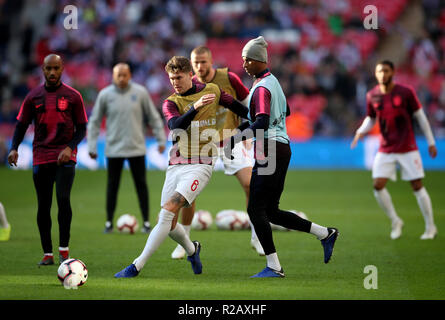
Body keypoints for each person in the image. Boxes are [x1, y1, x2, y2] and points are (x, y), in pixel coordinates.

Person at [114, 56, 249, 278]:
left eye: (178, 77)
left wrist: (259, 119)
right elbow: (175, 126)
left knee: (168, 212)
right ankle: (192, 249)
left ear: (189, 74)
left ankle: (136, 266)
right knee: (167, 222)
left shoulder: (213, 91)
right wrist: (195, 107)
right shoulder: (171, 102)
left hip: (202, 163)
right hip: (176, 163)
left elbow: (236, 107)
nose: (175, 82)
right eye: (171, 78)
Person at [225, 36, 339, 278]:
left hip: (268, 149)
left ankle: (274, 267)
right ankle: (325, 233)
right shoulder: (273, 83)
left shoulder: (261, 87)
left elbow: (262, 121)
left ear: (258, 61)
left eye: (247, 60)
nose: (244, 64)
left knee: (256, 210)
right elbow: (281, 111)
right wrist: (232, 105)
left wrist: (235, 139)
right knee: (272, 211)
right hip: (281, 147)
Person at [170, 45, 265, 260]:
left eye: (203, 61)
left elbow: (247, 103)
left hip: (232, 140)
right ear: (191, 65)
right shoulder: (190, 85)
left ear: (211, 61)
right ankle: (184, 241)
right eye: (196, 63)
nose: (200, 66)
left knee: (251, 185)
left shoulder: (228, 78)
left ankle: (256, 235)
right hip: (203, 144)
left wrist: (249, 131)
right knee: (188, 194)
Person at [7, 54, 88, 265]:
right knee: (43, 205)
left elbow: (82, 128)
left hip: (65, 158)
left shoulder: (73, 96)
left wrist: (70, 148)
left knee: (63, 199)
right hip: (41, 156)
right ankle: (47, 254)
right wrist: (14, 148)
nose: (52, 73)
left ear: (62, 69)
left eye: (56, 68)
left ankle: (63, 250)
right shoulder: (33, 96)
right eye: (48, 69)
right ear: (42, 70)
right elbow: (21, 125)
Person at [351, 60, 438, 240]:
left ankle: (430, 227)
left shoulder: (406, 93)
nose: (382, 74)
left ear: (392, 72)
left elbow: (421, 117)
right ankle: (395, 220)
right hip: (386, 148)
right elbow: (371, 118)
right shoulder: (372, 95)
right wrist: (360, 131)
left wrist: (431, 141)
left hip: (407, 147)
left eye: (386, 71)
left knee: (417, 186)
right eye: (379, 71)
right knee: (377, 185)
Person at [87, 63, 167, 234]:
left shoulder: (140, 93)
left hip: (136, 148)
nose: (121, 78)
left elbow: (153, 117)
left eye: (124, 75)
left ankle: (146, 222)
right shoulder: (105, 95)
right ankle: (109, 222)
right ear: (113, 76)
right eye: (118, 75)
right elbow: (94, 121)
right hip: (113, 149)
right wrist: (92, 145)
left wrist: (161, 140)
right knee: (112, 186)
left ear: (130, 75)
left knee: (141, 185)